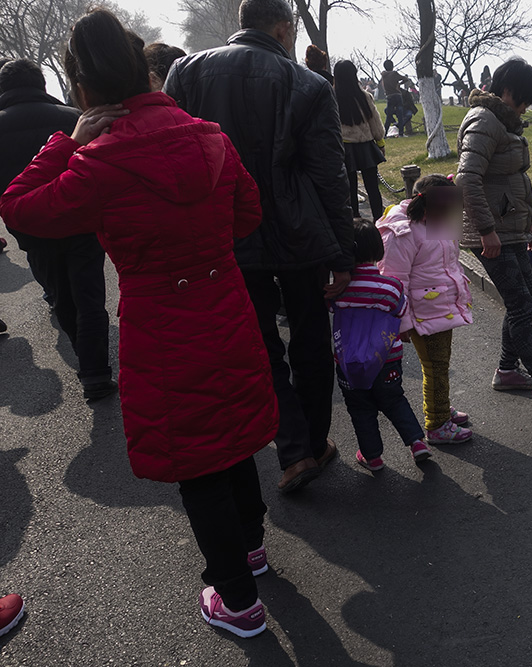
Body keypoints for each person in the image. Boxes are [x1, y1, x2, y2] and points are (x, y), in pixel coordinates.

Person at [0, 8, 279, 638]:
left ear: (86, 84)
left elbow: (19, 208)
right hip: (225, 298)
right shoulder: (208, 135)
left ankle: (235, 598)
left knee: (197, 452)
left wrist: (68, 141)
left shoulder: (98, 158)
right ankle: (253, 552)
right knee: (231, 431)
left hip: (160, 314)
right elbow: (248, 213)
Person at [165, 0, 353, 494]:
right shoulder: (308, 84)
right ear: (284, 27)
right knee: (311, 339)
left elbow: (174, 159)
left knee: (258, 345)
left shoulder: (186, 72)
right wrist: (343, 253)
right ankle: (312, 443)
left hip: (223, 235)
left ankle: (292, 451)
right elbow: (330, 174)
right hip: (299, 234)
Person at [456, 59, 532, 410]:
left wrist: (528, 227)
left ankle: (507, 371)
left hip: (510, 229)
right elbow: (467, 179)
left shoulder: (502, 121)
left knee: (524, 300)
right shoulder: (484, 120)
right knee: (520, 304)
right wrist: (487, 231)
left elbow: (509, 180)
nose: (524, 108)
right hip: (492, 233)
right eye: (523, 100)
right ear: (507, 91)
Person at [0, 58, 115, 401]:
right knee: (90, 297)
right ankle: (95, 372)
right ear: (42, 84)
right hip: (81, 224)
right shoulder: (73, 120)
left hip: (29, 228)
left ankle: (83, 354)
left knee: (61, 296)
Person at [377, 174, 474, 444]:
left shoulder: (437, 220)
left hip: (439, 308)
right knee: (436, 366)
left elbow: (449, 264)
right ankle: (437, 423)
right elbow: (395, 281)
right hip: (422, 312)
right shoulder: (403, 232)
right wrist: (403, 323)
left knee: (437, 365)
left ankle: (440, 405)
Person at [330, 219, 432, 471]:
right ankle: (417, 442)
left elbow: (331, 308)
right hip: (387, 358)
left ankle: (372, 456)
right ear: (378, 249)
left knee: (360, 408)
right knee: (394, 400)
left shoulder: (338, 290)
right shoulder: (391, 287)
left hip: (349, 361)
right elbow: (400, 311)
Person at [334, 60, 385, 220]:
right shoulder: (364, 96)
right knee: (372, 188)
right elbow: (375, 123)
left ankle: (355, 221)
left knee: (350, 189)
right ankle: (379, 220)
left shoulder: (331, 97)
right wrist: (380, 142)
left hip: (344, 147)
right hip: (365, 146)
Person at [380, 59, 413, 134]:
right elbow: (406, 79)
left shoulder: (383, 75)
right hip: (397, 95)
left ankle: (384, 134)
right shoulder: (394, 74)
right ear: (392, 66)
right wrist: (399, 84)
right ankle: (401, 133)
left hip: (389, 96)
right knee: (400, 114)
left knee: (388, 116)